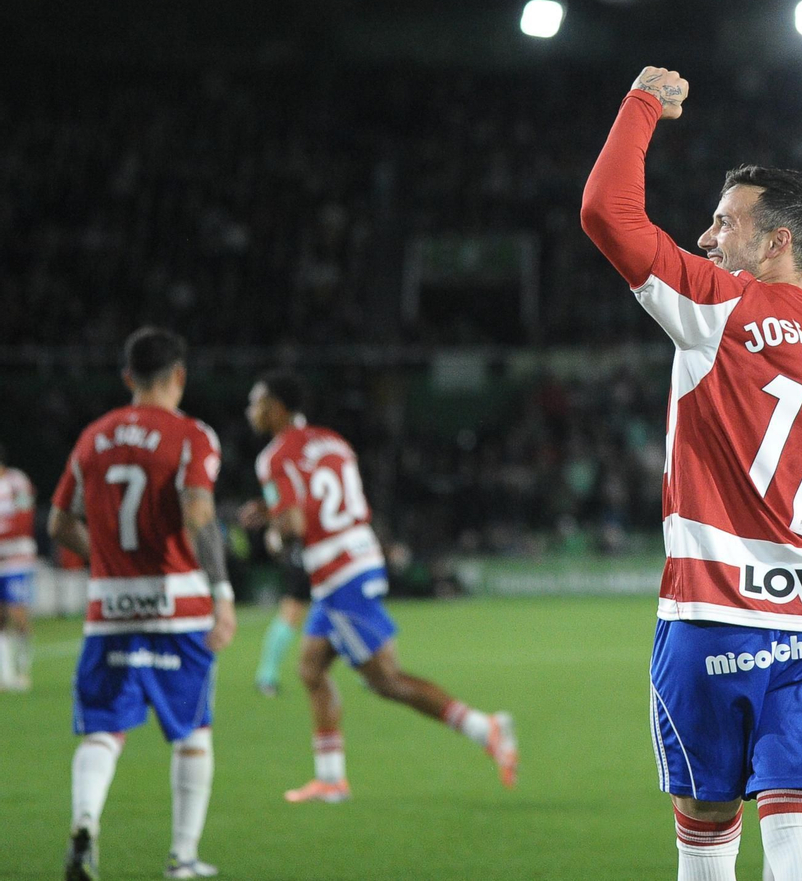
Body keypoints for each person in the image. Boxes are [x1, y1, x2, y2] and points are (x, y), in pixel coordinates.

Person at [581, 67, 802, 881]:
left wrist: (642, 99)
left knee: (706, 839)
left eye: (726, 223)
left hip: (712, 613)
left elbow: (606, 215)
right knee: (799, 846)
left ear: (777, 240)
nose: (710, 237)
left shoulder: (725, 305)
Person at [244, 370, 516, 802]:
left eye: (256, 403)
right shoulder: (333, 441)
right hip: (360, 555)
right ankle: (331, 779)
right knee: (312, 669)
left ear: (277, 407)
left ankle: (485, 728)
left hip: (337, 574)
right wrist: (275, 507)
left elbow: (292, 526)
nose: (251, 412)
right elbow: (323, 496)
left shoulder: (274, 457)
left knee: (385, 680)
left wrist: (274, 535)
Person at [47, 327, 237, 880]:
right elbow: (199, 513)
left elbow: (59, 522)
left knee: (104, 730)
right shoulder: (191, 435)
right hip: (178, 606)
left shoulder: (92, 438)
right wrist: (222, 592)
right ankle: (182, 858)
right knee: (192, 733)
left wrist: (104, 556)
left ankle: (85, 821)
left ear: (128, 377)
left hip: (109, 610)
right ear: (178, 377)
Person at [236, 498, 310, 697]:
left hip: (306, 550)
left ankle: (267, 675)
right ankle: (266, 675)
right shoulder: (284, 472)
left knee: (336, 609)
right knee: (292, 611)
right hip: (307, 551)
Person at [0, 444, 37, 692]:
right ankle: (6, 673)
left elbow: (24, 517)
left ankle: (23, 668)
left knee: (18, 614)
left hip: (16, 559)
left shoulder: (17, 481)